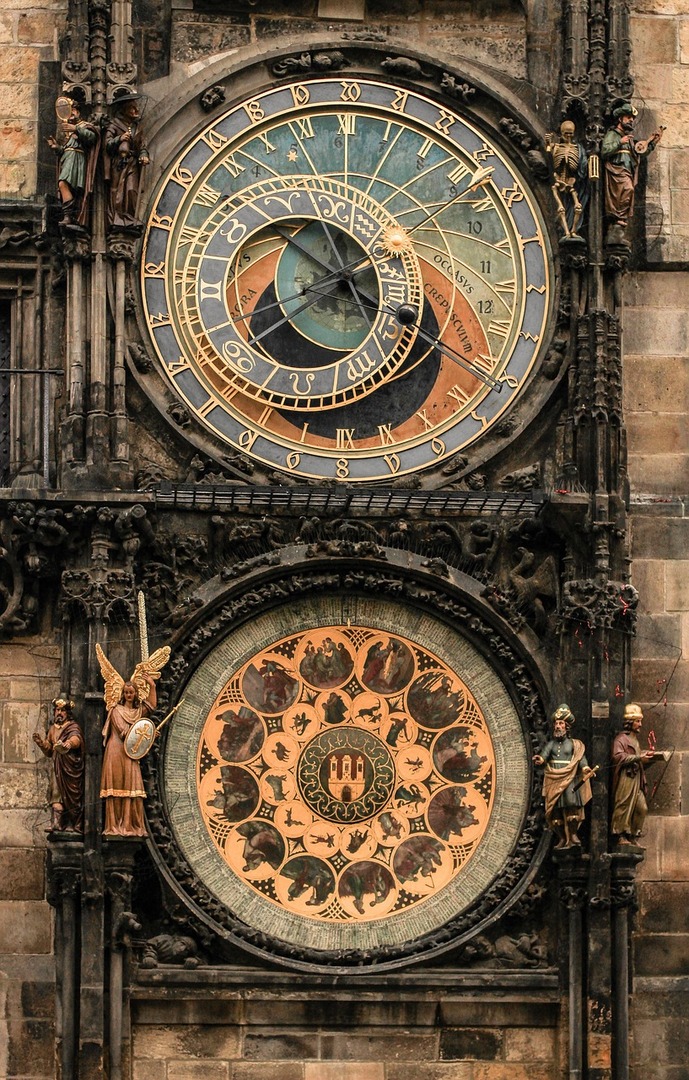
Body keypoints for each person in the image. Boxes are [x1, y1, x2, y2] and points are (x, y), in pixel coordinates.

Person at [100, 676, 156, 837]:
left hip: (131, 753)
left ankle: (131, 825)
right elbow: (124, 732)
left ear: (136, 694)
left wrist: (152, 686)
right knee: (117, 786)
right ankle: (115, 826)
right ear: (122, 694)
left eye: (131, 692)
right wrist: (147, 735)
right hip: (117, 751)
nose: (128, 695)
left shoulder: (138, 712)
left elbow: (151, 706)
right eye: (126, 692)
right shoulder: (116, 710)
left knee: (133, 787)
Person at [533, 704, 593, 849]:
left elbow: (580, 758)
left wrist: (585, 768)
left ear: (567, 727)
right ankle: (561, 837)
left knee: (572, 807)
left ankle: (572, 835)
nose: (558, 727)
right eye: (556, 724)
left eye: (561, 724)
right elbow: (544, 756)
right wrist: (540, 760)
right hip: (554, 778)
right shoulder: (551, 744)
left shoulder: (574, 744)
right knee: (555, 813)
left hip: (570, 778)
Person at [602, 102, 664, 241]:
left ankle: (620, 219)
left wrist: (652, 142)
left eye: (632, 118)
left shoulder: (628, 139)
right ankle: (616, 219)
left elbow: (638, 152)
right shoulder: (613, 134)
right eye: (628, 117)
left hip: (627, 171)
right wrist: (619, 142)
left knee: (628, 192)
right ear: (620, 119)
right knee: (627, 190)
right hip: (616, 171)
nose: (631, 120)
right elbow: (605, 151)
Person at [611, 703, 662, 846]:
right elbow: (617, 757)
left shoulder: (634, 740)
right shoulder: (621, 739)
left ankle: (633, 834)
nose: (640, 724)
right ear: (630, 722)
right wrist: (639, 757)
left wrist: (649, 758)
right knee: (624, 805)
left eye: (640, 721)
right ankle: (620, 834)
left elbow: (637, 759)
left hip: (636, 778)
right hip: (626, 778)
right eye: (637, 721)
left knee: (642, 808)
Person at [33, 697, 84, 832]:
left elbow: (76, 739)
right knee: (56, 794)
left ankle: (74, 824)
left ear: (68, 713)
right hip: (57, 767)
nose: (59, 713)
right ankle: (56, 823)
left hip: (70, 767)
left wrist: (69, 743)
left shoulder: (72, 727)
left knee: (72, 794)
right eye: (57, 710)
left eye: (62, 710)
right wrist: (41, 743)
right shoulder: (52, 729)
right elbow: (49, 750)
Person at [47, 96, 99, 228]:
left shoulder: (83, 126)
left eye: (72, 110)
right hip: (68, 158)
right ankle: (70, 215)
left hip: (77, 160)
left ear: (77, 112)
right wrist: (56, 148)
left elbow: (92, 137)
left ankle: (69, 215)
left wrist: (75, 129)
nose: (70, 113)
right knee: (64, 185)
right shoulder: (70, 131)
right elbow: (66, 149)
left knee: (63, 183)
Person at [104, 91, 150, 229]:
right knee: (117, 190)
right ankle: (117, 218)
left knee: (131, 190)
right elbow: (107, 144)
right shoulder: (115, 125)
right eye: (132, 108)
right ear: (124, 111)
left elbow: (142, 145)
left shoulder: (137, 127)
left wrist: (143, 154)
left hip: (133, 163)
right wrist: (119, 139)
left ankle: (130, 217)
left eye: (136, 107)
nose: (136, 110)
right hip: (119, 163)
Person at [544, 120, 588, 237]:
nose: (568, 136)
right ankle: (566, 232)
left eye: (571, 134)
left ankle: (573, 230)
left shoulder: (578, 149)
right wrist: (548, 144)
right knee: (562, 207)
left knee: (577, 206)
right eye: (566, 134)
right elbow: (549, 161)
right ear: (561, 133)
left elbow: (582, 165)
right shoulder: (556, 147)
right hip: (558, 180)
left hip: (572, 181)